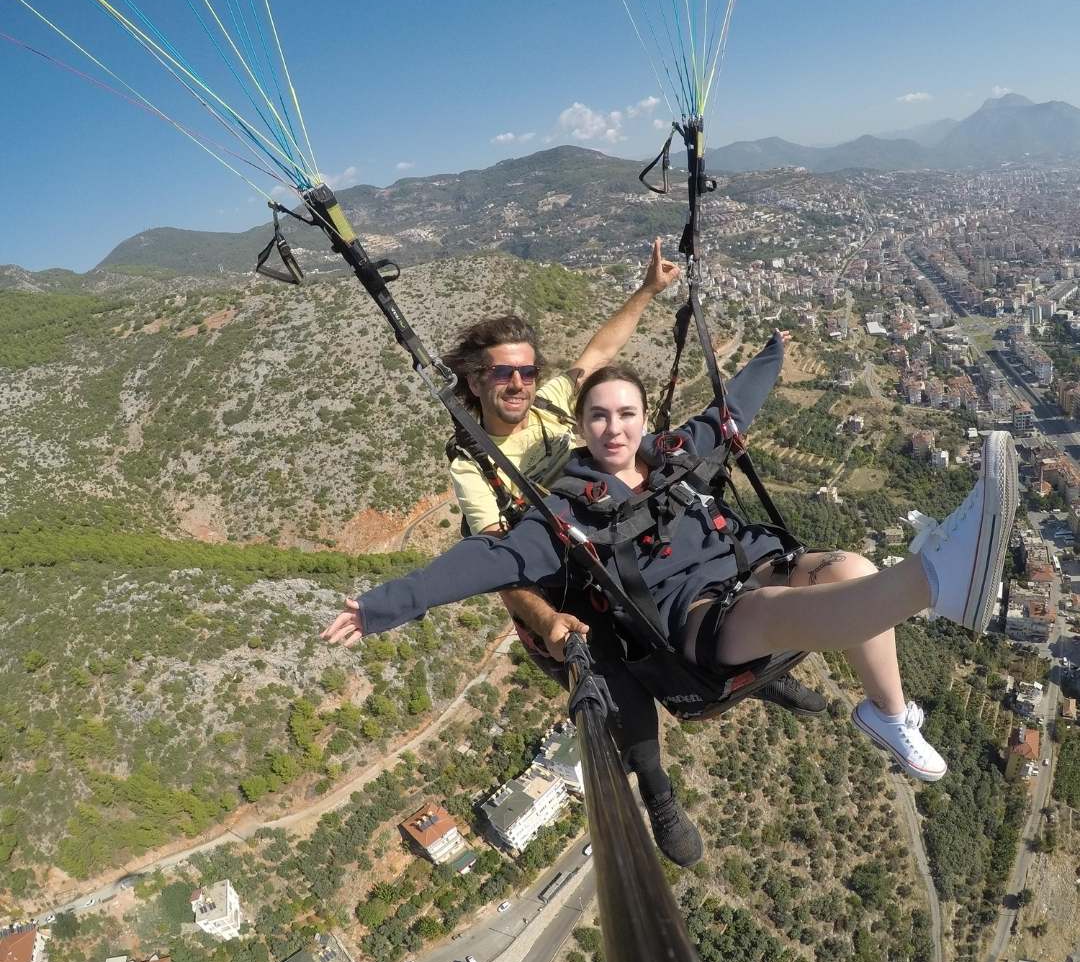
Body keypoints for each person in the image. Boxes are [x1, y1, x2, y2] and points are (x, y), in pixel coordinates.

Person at [325, 332, 1019, 864]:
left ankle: (890, 714)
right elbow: (486, 561)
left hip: (757, 570)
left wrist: (773, 353)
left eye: (626, 413)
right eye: (598, 417)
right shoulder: (566, 516)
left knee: (852, 566)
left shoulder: (676, 455)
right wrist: (382, 607)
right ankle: (934, 580)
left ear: (641, 418)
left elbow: (731, 410)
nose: (614, 428)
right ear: (583, 429)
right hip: (702, 628)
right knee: (779, 614)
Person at [434, 243, 821, 862]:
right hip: (560, 566)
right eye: (500, 374)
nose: (516, 384)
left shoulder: (555, 400)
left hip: (617, 518)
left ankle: (752, 671)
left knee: (712, 545)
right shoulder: (473, 463)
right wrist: (548, 622)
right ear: (474, 381)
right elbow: (500, 558)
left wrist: (646, 290)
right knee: (614, 674)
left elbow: (601, 353)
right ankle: (658, 792)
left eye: (525, 372)